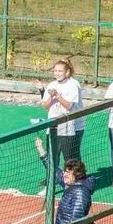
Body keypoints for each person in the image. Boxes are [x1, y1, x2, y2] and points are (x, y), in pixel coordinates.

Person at [35, 59, 85, 196]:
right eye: (55, 70)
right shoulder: (51, 84)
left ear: (67, 72)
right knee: (52, 155)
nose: (57, 73)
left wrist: (58, 96)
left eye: (60, 70)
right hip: (52, 124)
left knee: (68, 157)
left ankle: (72, 184)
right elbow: (45, 106)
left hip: (67, 125)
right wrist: (51, 97)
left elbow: (69, 106)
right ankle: (50, 184)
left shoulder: (72, 85)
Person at [53, 158, 98, 224]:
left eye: (68, 173)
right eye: (65, 171)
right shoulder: (71, 186)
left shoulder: (79, 192)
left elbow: (76, 219)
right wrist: (43, 154)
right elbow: (56, 172)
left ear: (76, 175)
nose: (64, 174)